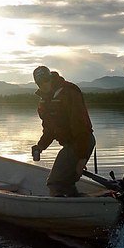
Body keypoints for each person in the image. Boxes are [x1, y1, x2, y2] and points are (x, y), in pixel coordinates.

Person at [31, 66, 96, 197]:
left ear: (50, 77)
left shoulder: (69, 92)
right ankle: (77, 204)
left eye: (45, 79)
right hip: (70, 145)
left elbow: (81, 126)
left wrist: (81, 159)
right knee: (64, 183)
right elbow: (49, 130)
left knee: (55, 182)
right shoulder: (45, 102)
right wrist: (40, 146)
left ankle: (67, 209)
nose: (43, 84)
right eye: (39, 82)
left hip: (81, 141)